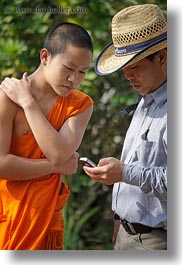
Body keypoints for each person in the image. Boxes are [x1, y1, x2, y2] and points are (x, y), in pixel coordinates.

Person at [0, 22, 94, 250]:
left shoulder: (80, 104)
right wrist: (55, 167)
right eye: (68, 69)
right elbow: (2, 165)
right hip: (8, 217)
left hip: (47, 220)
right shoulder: (6, 98)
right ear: (45, 57)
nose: (74, 80)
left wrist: (28, 103)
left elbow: (59, 153)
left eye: (82, 72)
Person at [83, 4, 167, 250]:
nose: (127, 76)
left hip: (157, 241)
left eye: (134, 66)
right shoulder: (146, 99)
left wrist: (124, 173)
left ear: (161, 57)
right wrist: (121, 218)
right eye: (124, 68)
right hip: (127, 234)